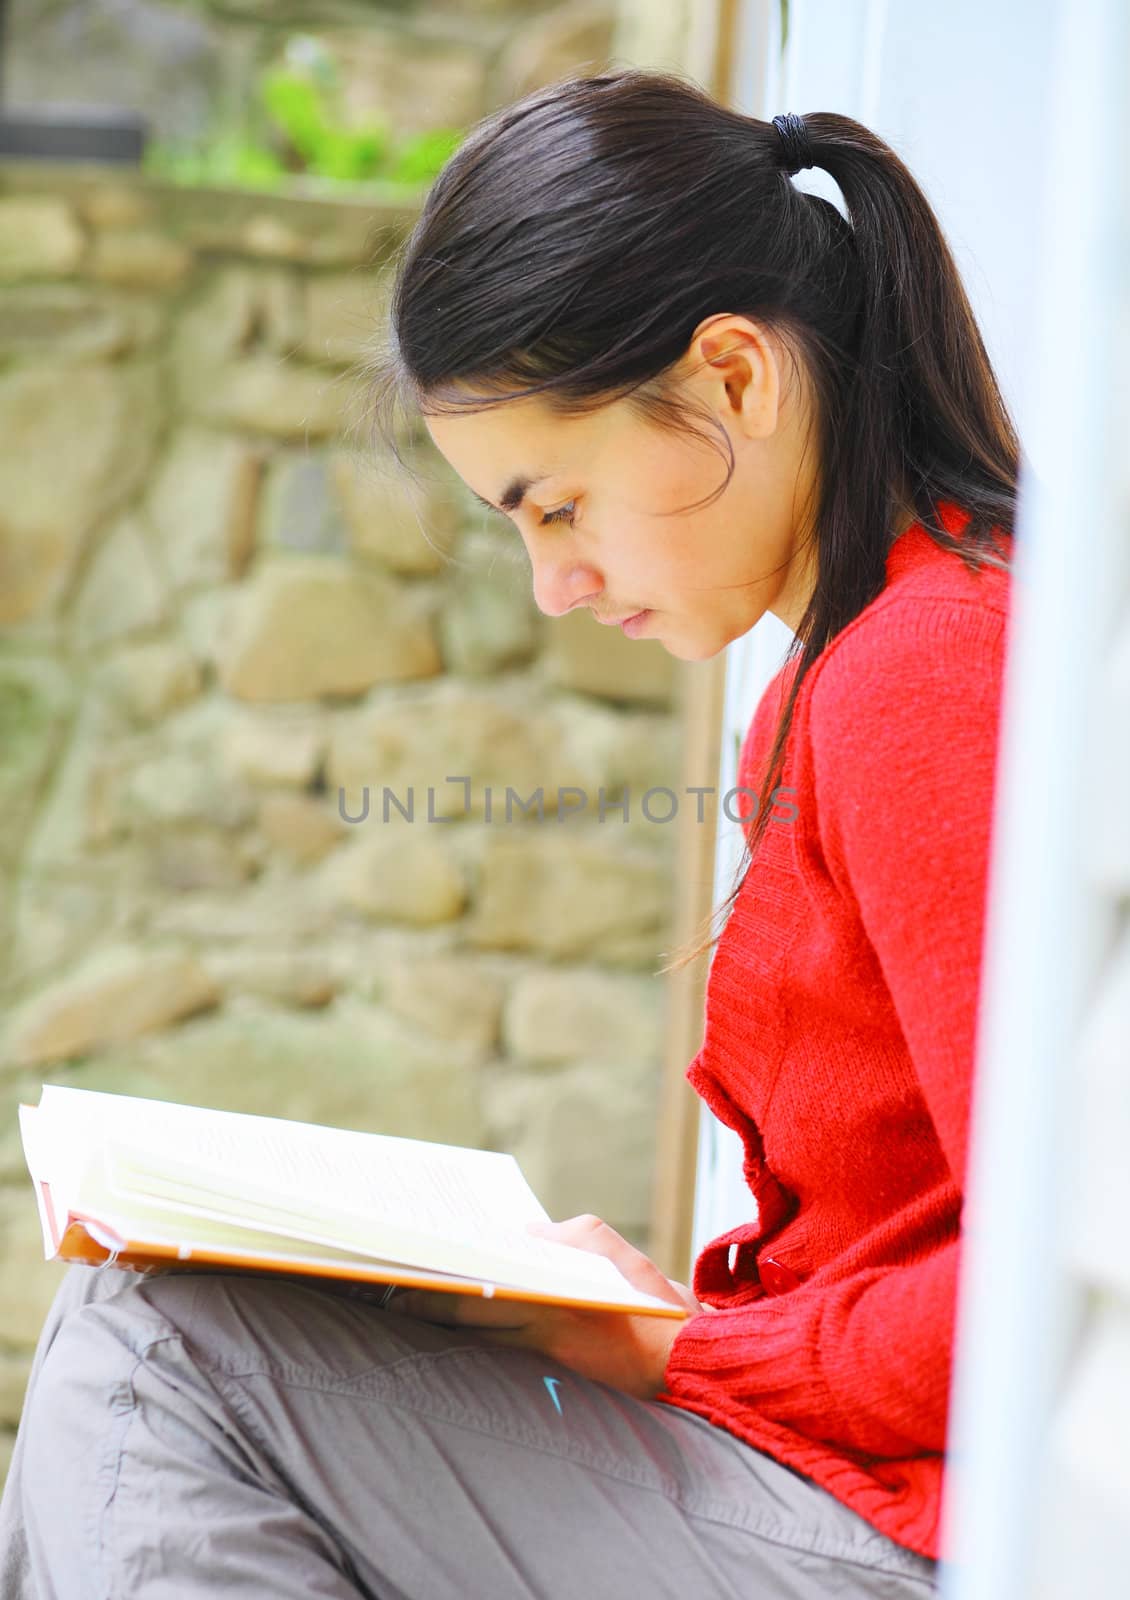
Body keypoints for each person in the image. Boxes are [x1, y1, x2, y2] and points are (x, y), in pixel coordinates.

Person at [0, 68, 1019, 1598]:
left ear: (732, 379)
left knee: (151, 1348)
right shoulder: (837, 675)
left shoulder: (923, 675)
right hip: (831, 1482)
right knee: (152, 1316)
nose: (555, 585)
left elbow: (1041, 1289)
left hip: (900, 1536)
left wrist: (687, 1347)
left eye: (558, 505)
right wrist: (684, 1330)